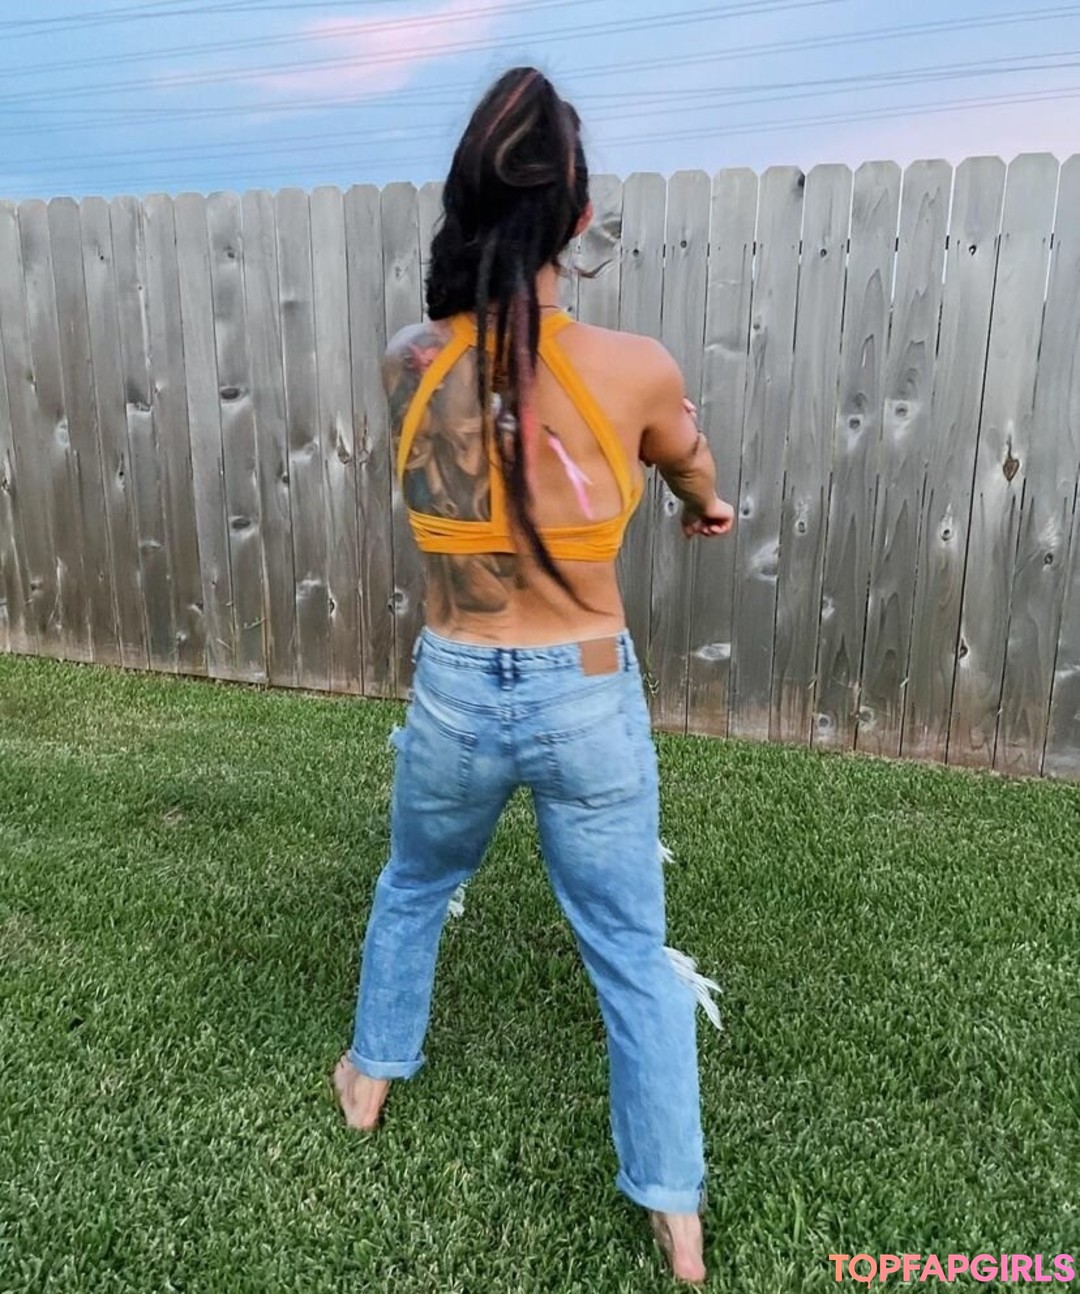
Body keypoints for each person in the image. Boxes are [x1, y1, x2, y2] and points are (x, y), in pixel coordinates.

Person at [334, 66, 735, 1284]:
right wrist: (704, 504)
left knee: (415, 883)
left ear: (465, 205)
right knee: (630, 946)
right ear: (579, 217)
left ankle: (370, 1075)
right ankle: (675, 1210)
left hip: (456, 684)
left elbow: (481, 415)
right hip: (587, 690)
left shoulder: (407, 359)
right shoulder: (637, 365)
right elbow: (690, 463)